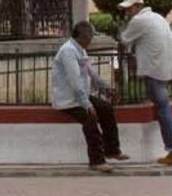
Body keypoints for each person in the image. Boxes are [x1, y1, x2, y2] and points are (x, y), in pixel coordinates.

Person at [51, 20, 130, 174]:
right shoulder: (68, 51)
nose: (91, 41)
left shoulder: (80, 50)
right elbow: (74, 81)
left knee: (106, 109)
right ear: (83, 37)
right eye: (90, 38)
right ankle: (96, 160)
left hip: (81, 96)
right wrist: (86, 104)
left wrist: (106, 88)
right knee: (90, 118)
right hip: (68, 100)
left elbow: (91, 73)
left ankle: (112, 149)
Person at [119, 0, 172, 166]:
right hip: (166, 68)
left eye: (129, 8)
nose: (127, 12)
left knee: (163, 109)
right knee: (162, 106)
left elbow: (124, 39)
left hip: (154, 69)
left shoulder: (139, 21)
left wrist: (124, 27)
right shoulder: (158, 18)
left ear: (137, 7)